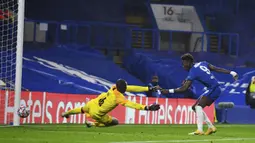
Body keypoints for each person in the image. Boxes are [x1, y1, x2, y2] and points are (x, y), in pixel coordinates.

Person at [161, 53, 238, 135]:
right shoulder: (203, 63)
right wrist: (231, 72)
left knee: (198, 106)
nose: (183, 65)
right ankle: (211, 127)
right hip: (213, 88)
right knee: (195, 107)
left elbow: (184, 88)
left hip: (214, 89)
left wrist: (168, 91)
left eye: (184, 63)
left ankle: (200, 130)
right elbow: (216, 69)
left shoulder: (193, 72)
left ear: (189, 62)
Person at [61, 79, 161, 127]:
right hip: (97, 113)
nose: (127, 86)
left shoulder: (114, 87)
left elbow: (132, 88)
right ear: (123, 88)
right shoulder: (119, 98)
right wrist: (146, 107)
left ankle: (66, 113)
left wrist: (149, 88)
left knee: (82, 109)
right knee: (114, 122)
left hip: (93, 103)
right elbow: (132, 104)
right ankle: (92, 124)